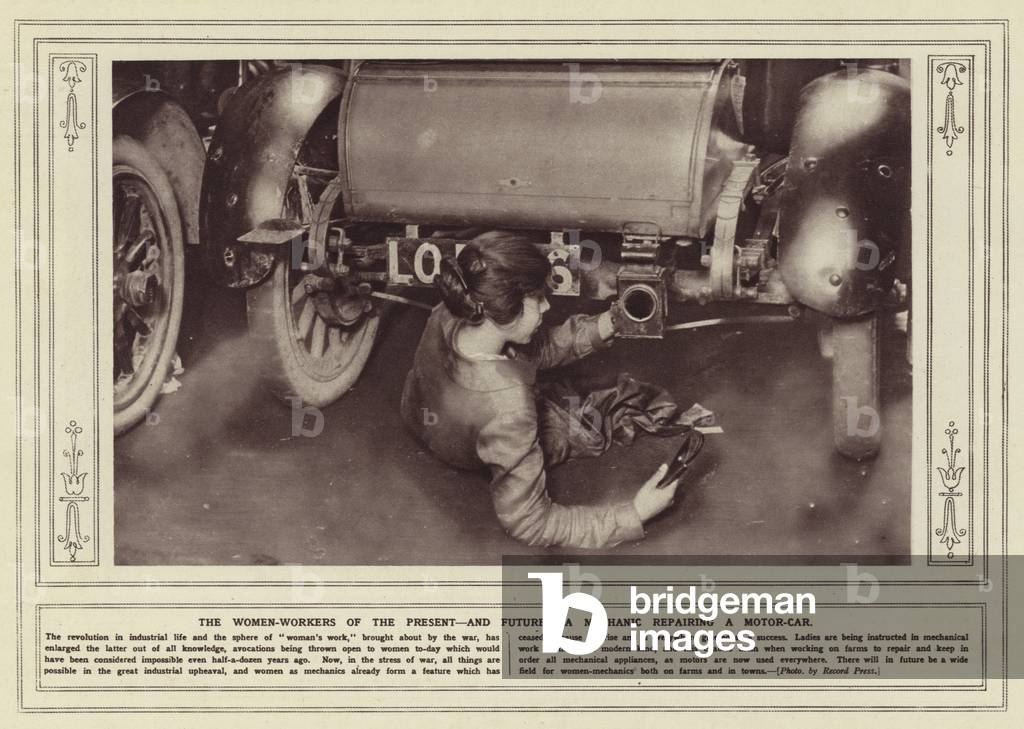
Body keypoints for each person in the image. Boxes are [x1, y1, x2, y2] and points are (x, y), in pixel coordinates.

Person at [400, 236, 683, 549]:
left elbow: (532, 351)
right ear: (507, 307)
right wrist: (635, 513)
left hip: (425, 421)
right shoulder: (511, 408)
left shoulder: (452, 310)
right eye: (538, 298)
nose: (548, 305)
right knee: (592, 423)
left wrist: (608, 323)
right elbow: (532, 522)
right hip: (470, 446)